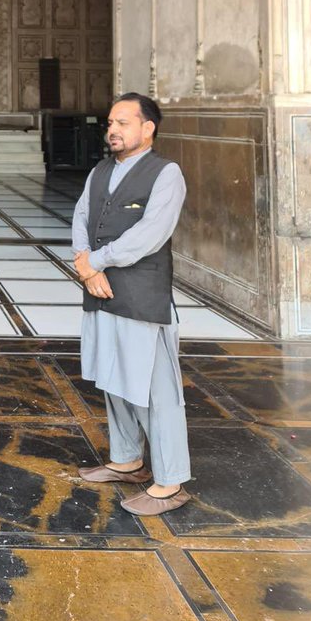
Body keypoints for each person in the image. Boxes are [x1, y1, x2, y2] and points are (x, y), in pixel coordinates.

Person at [71, 92, 192, 515]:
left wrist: (96, 263)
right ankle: (127, 461)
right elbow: (81, 217)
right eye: (110, 123)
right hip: (101, 292)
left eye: (123, 122)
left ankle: (171, 480)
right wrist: (87, 267)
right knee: (113, 378)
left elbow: (150, 235)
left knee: (158, 392)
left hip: (143, 297)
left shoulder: (166, 173)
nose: (113, 130)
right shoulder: (102, 170)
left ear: (147, 128)